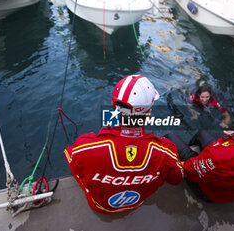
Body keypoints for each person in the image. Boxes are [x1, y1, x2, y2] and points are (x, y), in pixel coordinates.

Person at [64, 75, 184, 214]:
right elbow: (176, 179)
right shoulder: (165, 151)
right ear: (148, 113)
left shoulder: (87, 146)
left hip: (99, 206)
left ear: (113, 105)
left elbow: (76, 165)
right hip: (137, 203)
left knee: (71, 152)